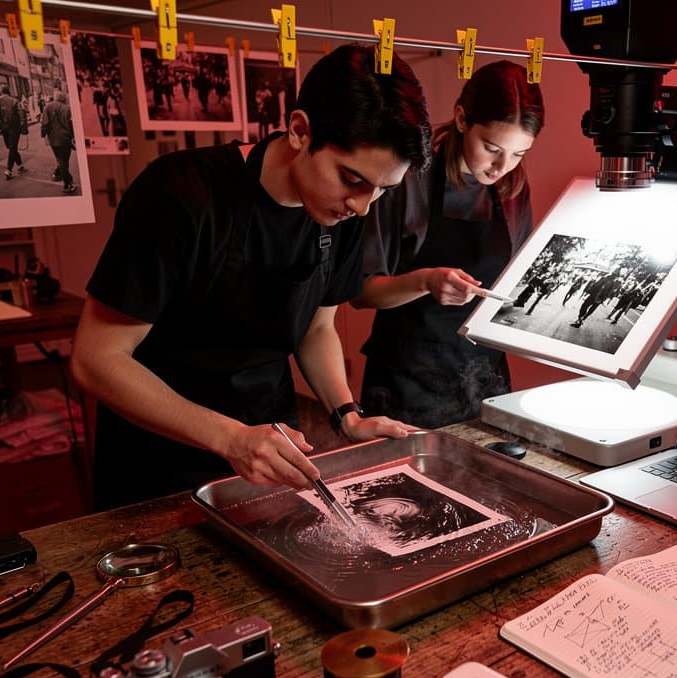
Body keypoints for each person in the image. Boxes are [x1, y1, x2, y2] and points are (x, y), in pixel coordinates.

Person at [70, 44, 432, 512]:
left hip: (269, 452)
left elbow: (317, 328)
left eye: (383, 190)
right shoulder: (182, 196)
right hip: (161, 464)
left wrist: (346, 414)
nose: (362, 206)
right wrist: (231, 438)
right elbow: (97, 359)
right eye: (352, 179)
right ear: (301, 131)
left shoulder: (340, 216)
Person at [353, 60, 545, 428]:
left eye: (519, 153)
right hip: (407, 378)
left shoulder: (512, 187)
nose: (500, 166)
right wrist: (424, 281)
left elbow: (516, 283)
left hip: (483, 377)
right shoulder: (407, 180)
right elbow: (362, 293)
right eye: (491, 147)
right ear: (461, 119)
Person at [40, 90, 77, 193]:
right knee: (64, 160)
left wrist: (43, 134)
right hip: (66, 139)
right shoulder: (67, 109)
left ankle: (66, 179)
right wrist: (74, 137)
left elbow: (45, 123)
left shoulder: (47, 107)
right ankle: (67, 183)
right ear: (63, 98)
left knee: (61, 160)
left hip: (54, 139)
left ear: (55, 97)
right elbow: (71, 125)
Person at [0, 85, 26, 180]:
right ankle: (9, 170)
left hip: (4, 127)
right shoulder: (14, 100)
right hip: (14, 127)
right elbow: (21, 114)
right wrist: (23, 126)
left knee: (10, 147)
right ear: (8, 91)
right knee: (12, 147)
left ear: (1, 91)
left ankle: (17, 166)